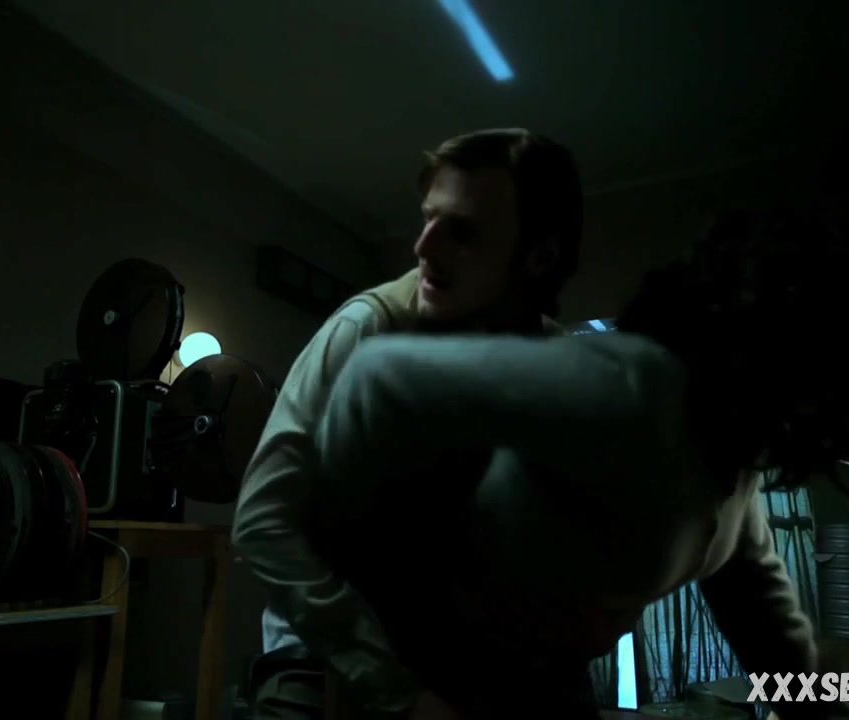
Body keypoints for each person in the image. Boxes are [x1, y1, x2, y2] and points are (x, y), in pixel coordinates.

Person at [311, 209, 849, 719]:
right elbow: (377, 380)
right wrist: (401, 674)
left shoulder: (734, 460)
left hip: (548, 676)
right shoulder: (629, 388)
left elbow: (756, 602)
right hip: (443, 669)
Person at [231, 128, 585, 718]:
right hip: (329, 651)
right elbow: (263, 522)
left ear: (538, 258)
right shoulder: (367, 330)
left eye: (461, 232)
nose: (424, 247)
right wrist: (397, 689)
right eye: (427, 219)